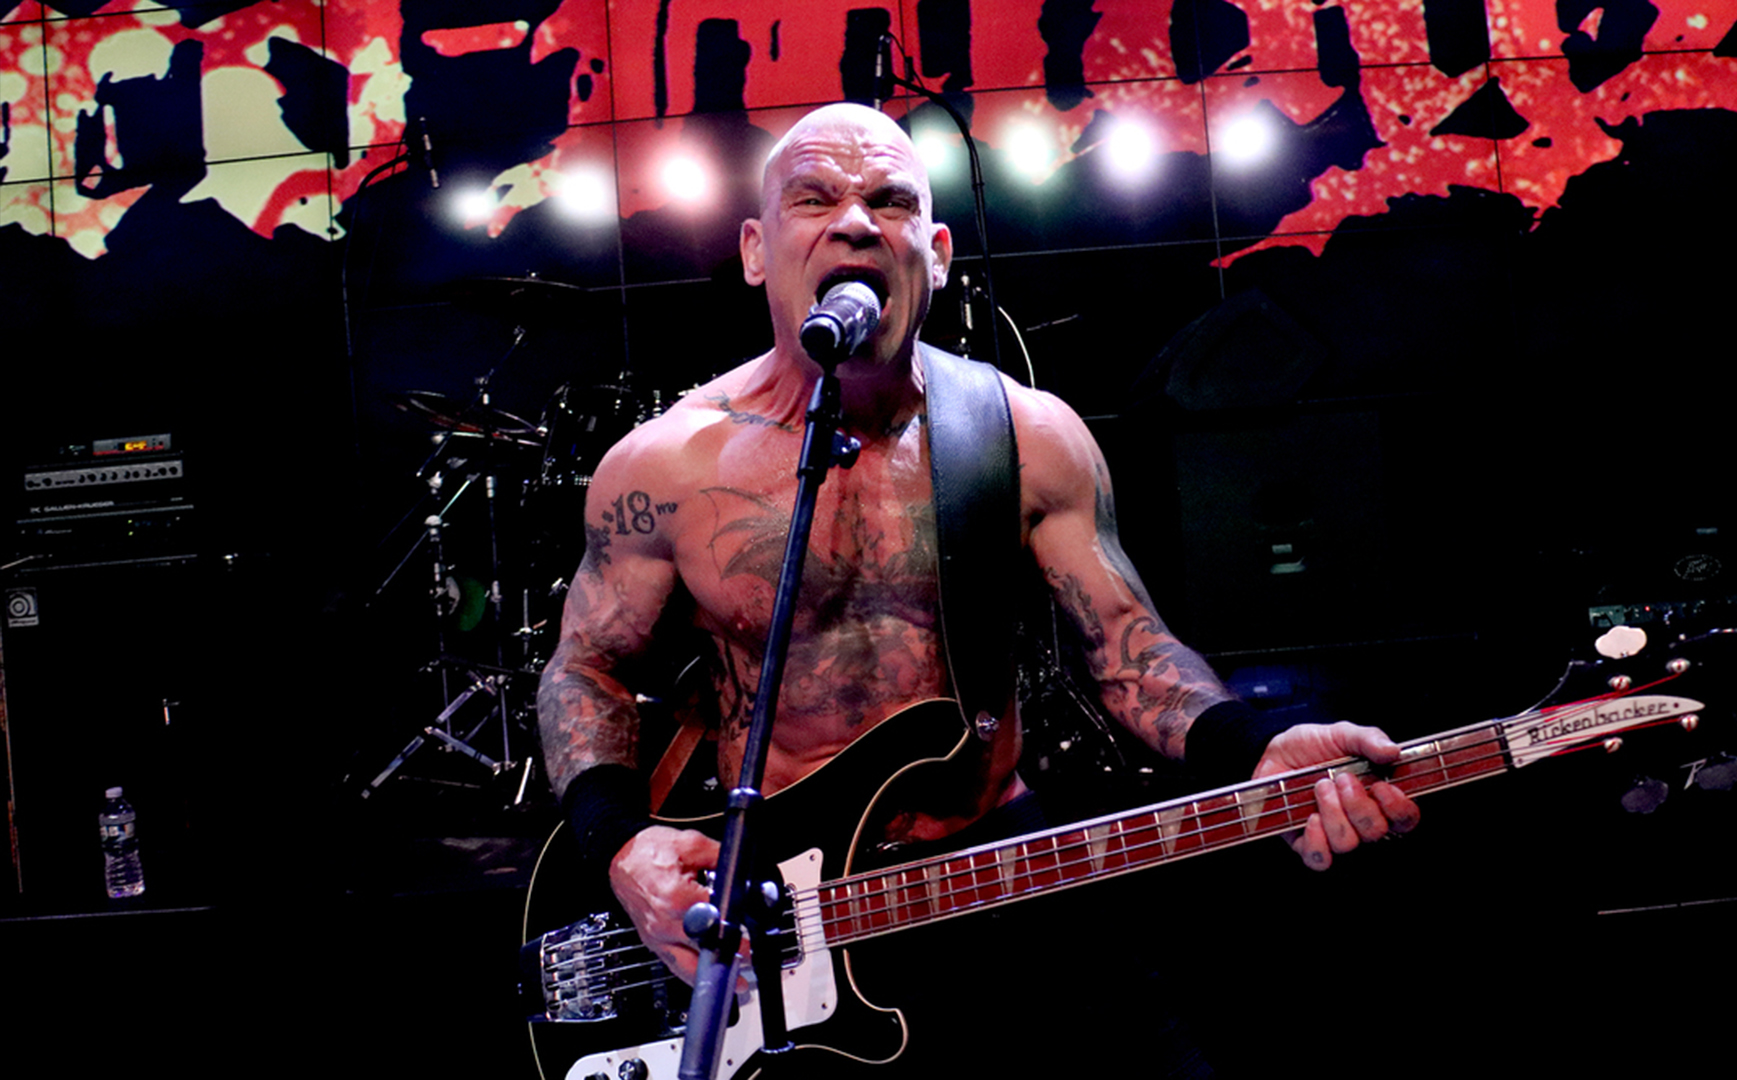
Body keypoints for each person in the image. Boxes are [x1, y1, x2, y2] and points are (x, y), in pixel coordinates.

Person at [536, 102, 1419, 1076]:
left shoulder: (1024, 436)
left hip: (994, 870)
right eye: (815, 199)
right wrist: (619, 843)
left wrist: (1252, 745)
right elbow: (586, 668)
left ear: (938, 250)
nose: (856, 223)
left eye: (890, 202)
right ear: (755, 251)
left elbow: (1127, 649)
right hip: (779, 923)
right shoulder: (666, 465)